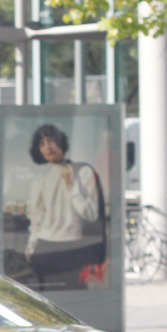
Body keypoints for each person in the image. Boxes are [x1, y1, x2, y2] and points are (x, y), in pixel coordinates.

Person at [23, 124, 104, 290]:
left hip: (73, 246)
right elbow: (36, 219)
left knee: (74, 299)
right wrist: (31, 247)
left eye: (51, 141)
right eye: (42, 144)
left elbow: (91, 215)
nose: (47, 147)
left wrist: (72, 186)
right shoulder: (41, 180)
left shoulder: (83, 172)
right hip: (44, 247)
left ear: (61, 142)